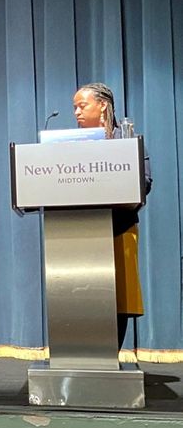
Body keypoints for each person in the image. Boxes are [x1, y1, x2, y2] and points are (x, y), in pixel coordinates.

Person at [73, 82, 153, 348]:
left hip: (120, 227)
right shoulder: (69, 146)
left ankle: (110, 355)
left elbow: (144, 180)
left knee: (118, 296)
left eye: (82, 105)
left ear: (103, 105)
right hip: (79, 233)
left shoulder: (126, 140)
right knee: (84, 296)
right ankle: (84, 354)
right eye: (74, 107)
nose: (76, 112)